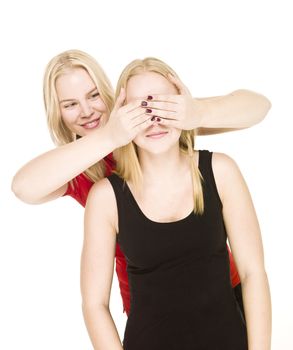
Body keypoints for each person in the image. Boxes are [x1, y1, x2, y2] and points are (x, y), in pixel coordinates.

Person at [12, 50, 271, 317]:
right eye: (70, 104)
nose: (87, 111)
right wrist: (110, 138)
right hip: (149, 312)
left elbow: (258, 107)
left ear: (111, 93)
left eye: (93, 95)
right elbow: (24, 187)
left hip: (221, 293)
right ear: (58, 114)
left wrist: (198, 112)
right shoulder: (77, 168)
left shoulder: (152, 125)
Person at [81, 57, 271, 349]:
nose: (154, 120)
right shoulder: (105, 198)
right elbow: (94, 304)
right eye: (140, 110)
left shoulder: (221, 171)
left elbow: (253, 273)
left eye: (164, 106)